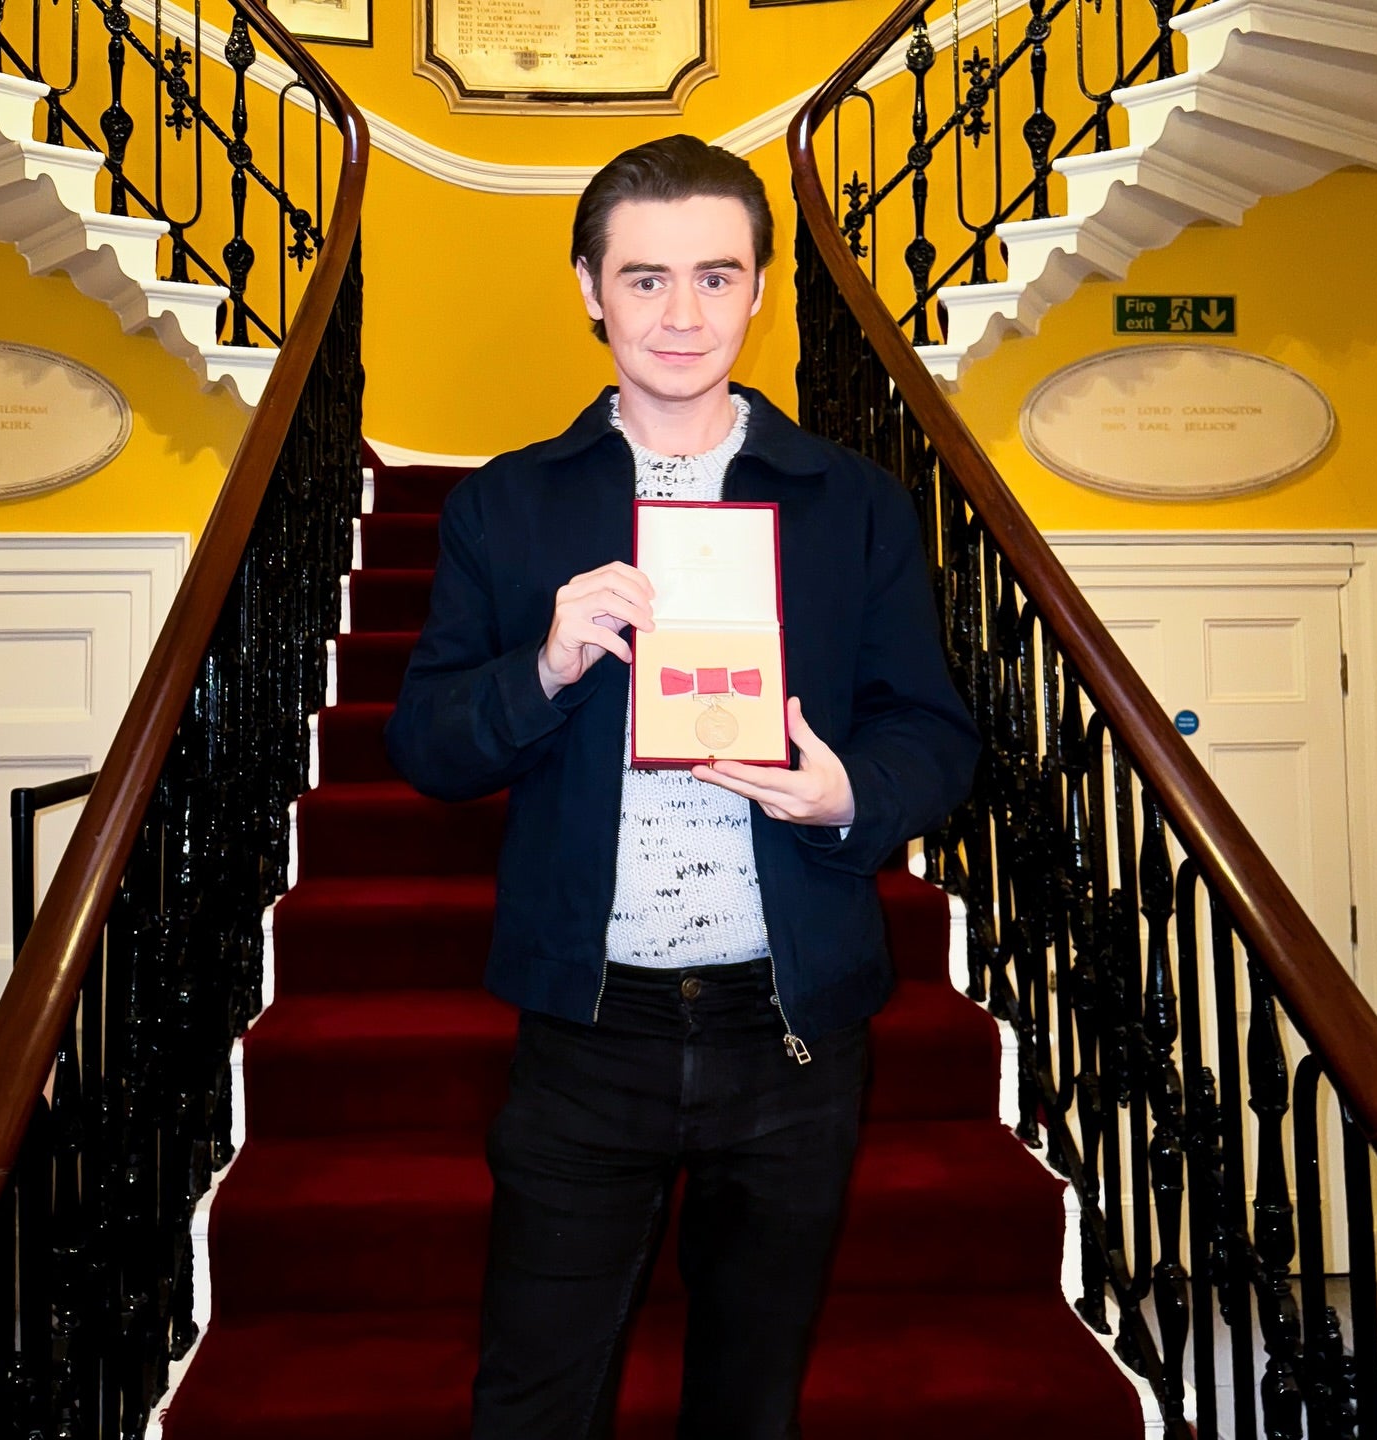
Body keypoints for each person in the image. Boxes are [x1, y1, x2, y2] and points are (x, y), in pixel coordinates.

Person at [384, 134, 979, 1440]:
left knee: (749, 1404)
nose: (682, 314)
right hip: (588, 1028)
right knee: (533, 1402)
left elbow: (933, 734)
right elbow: (427, 748)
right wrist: (543, 667)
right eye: (644, 279)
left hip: (795, 1024)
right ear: (590, 289)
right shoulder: (507, 508)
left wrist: (845, 793)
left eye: (716, 276)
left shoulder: (853, 504)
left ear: (759, 289)